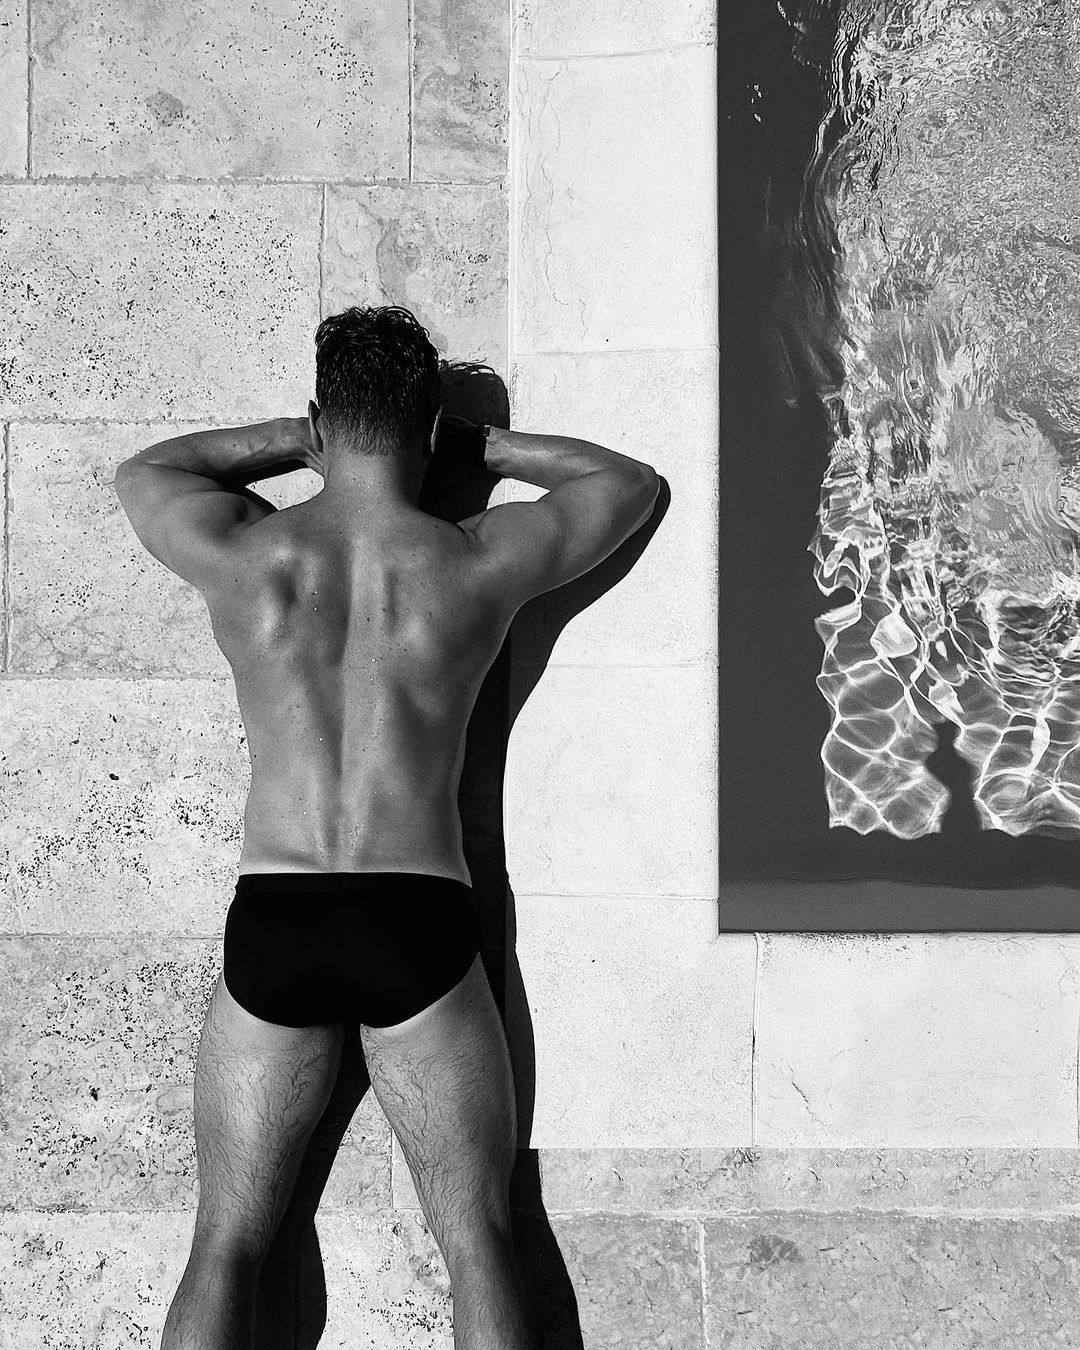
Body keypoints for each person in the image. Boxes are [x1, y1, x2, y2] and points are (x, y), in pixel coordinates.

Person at [114, 303, 660, 1350]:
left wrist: (295, 438)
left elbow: (148, 473)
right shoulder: (473, 558)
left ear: (324, 421)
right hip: (416, 915)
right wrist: (477, 446)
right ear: (428, 429)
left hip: (277, 911)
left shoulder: (243, 553)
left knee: (225, 1244)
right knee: (479, 1244)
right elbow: (624, 485)